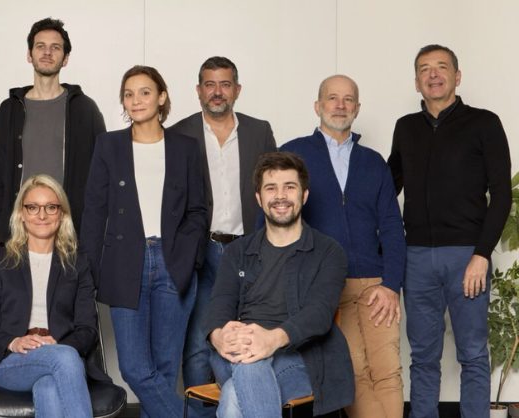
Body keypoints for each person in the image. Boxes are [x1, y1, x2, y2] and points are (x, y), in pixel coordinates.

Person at [388, 44, 512, 418]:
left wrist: (482, 254)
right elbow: (387, 187)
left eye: (442, 66)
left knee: (473, 354)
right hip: (416, 258)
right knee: (423, 356)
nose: (433, 74)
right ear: (416, 81)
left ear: (457, 76)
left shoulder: (484, 123)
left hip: (467, 256)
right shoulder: (406, 127)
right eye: (424, 68)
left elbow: (502, 194)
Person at [80, 65, 207, 418]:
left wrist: (190, 256)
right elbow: (94, 212)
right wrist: (89, 271)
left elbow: (198, 209)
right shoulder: (109, 145)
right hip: (124, 262)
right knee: (135, 368)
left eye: (145, 92)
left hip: (173, 260)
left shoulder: (185, 147)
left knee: (165, 369)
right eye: (129, 94)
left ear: (162, 97)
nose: (136, 100)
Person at [280, 74, 406, 418]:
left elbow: (392, 227)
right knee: (353, 372)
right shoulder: (292, 155)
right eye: (332, 98)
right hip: (325, 285)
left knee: (388, 371)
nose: (340, 105)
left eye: (348, 99)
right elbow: (276, 221)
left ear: (357, 108)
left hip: (375, 285)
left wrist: (391, 285)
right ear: (317, 106)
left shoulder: (373, 162)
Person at [205, 151, 354, 417]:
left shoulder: (328, 251)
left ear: (304, 195)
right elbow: (220, 303)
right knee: (250, 361)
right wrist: (218, 336)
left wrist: (272, 339)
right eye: (271, 188)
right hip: (238, 350)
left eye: (290, 187)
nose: (280, 196)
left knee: (233, 396)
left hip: (301, 357)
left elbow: (319, 313)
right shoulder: (237, 252)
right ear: (259, 198)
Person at [169, 56, 276, 417]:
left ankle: (240, 404)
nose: (217, 92)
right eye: (210, 84)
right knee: (199, 343)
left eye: (225, 84)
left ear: (237, 90)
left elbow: (273, 188)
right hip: (201, 252)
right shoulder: (179, 133)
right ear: (198, 90)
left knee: (249, 335)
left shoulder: (259, 131)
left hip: (249, 250)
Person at [0, 174, 112, 418]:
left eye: (51, 207)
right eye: (33, 207)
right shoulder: (0, 261)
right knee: (65, 359)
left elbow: (87, 329)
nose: (42, 215)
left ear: (62, 214)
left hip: (63, 355)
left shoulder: (78, 264)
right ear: (21, 213)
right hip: (12, 361)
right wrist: (13, 342)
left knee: (49, 387)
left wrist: (59, 346)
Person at [0, 17, 105, 243]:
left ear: (65, 58)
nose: (47, 52)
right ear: (29, 55)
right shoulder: (9, 109)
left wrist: (90, 229)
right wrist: (0, 225)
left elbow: (101, 174)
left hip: (70, 232)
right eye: (40, 46)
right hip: (18, 232)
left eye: (55, 47)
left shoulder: (85, 109)